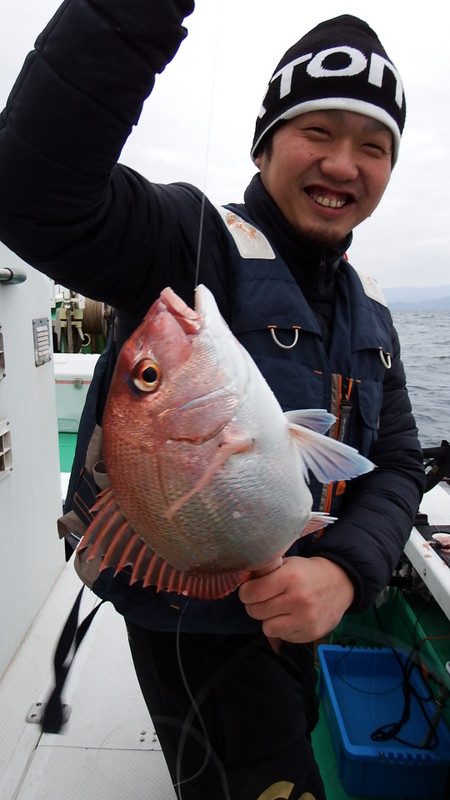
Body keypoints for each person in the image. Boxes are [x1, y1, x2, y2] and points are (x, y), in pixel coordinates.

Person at [0, 3, 425, 799]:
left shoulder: (374, 319)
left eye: (373, 146)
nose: (343, 164)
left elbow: (397, 462)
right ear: (264, 145)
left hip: (291, 604)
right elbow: (35, 188)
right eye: (317, 132)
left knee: (293, 719)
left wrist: (342, 571)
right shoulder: (187, 241)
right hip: (190, 628)